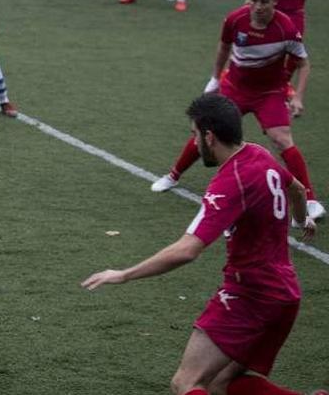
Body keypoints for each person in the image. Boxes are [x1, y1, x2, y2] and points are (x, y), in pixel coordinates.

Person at [83, 93, 322, 395]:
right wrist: (302, 220)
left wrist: (124, 274)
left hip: (250, 296)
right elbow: (298, 190)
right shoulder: (259, 153)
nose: (194, 143)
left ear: (209, 137)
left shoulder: (229, 182)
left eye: (194, 135)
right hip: (285, 295)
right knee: (221, 382)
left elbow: (187, 250)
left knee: (186, 383)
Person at [150, 0, 325, 220]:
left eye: (264, 2)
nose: (258, 7)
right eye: (254, 0)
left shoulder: (286, 29)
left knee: (282, 139)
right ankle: (173, 175)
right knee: (207, 129)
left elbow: (304, 63)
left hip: (269, 93)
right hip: (235, 88)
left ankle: (310, 198)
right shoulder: (235, 19)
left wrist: (298, 97)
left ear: (275, 1)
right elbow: (223, 48)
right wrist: (214, 79)